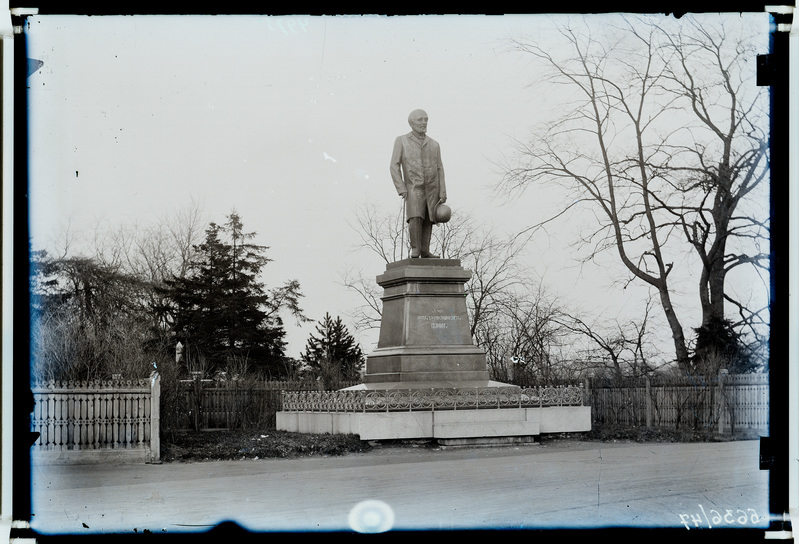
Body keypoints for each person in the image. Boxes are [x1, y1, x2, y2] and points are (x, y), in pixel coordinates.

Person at [390, 109, 447, 259]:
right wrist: (401, 188)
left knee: (429, 217)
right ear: (411, 123)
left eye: (426, 120)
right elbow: (394, 166)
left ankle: (425, 251)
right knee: (415, 216)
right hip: (413, 187)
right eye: (420, 120)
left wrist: (443, 191)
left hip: (432, 187)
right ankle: (416, 248)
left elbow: (440, 168)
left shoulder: (434, 144)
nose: (423, 123)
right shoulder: (401, 140)